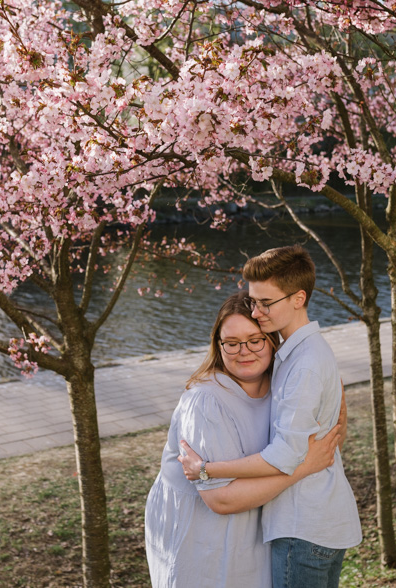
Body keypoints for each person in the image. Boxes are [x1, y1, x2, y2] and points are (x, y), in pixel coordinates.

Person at [178, 245, 362, 588]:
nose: (257, 312)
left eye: (266, 303)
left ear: (298, 299)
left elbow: (285, 456)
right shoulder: (301, 353)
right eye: (254, 301)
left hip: (303, 527)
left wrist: (207, 469)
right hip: (313, 523)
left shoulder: (304, 363)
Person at [144, 292, 343, 588]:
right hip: (203, 532)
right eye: (232, 343)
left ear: (272, 341)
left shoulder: (287, 383)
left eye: (255, 339)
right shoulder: (206, 402)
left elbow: (330, 440)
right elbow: (220, 499)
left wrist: (332, 387)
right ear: (218, 345)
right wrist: (303, 467)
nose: (244, 351)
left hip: (256, 523)